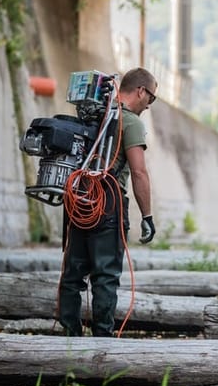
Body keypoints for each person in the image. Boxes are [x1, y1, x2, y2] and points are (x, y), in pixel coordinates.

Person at [57, 67, 157, 337]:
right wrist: (147, 216)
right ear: (140, 91)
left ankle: (69, 341)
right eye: (152, 98)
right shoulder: (131, 122)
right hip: (108, 202)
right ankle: (102, 343)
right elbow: (138, 171)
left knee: (72, 275)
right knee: (105, 277)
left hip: (78, 199)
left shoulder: (93, 114)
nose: (149, 105)